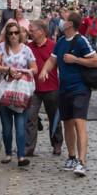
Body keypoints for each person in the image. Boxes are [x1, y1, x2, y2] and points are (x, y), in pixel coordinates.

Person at [38, 11, 97, 177]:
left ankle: (82, 162)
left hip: (80, 89)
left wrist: (76, 60)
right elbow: (52, 60)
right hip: (63, 88)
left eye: (63, 19)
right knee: (67, 123)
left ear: (70, 24)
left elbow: (96, 61)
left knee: (80, 123)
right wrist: (44, 70)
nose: (60, 21)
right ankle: (71, 156)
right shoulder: (60, 42)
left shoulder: (81, 41)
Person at [0, 21, 36, 168]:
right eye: (10, 33)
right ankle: (8, 153)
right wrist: (8, 69)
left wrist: (23, 72)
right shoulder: (1, 48)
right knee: (6, 128)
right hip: (5, 91)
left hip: (21, 93)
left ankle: (21, 156)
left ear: (20, 34)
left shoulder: (26, 50)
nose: (13, 36)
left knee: (20, 126)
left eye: (16, 33)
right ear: (7, 35)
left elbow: (34, 68)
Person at [24, 20, 63, 157]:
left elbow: (60, 66)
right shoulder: (28, 47)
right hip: (33, 89)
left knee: (54, 117)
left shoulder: (54, 46)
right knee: (30, 117)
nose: (30, 32)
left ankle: (57, 144)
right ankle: (29, 147)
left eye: (32, 30)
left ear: (41, 31)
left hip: (52, 88)